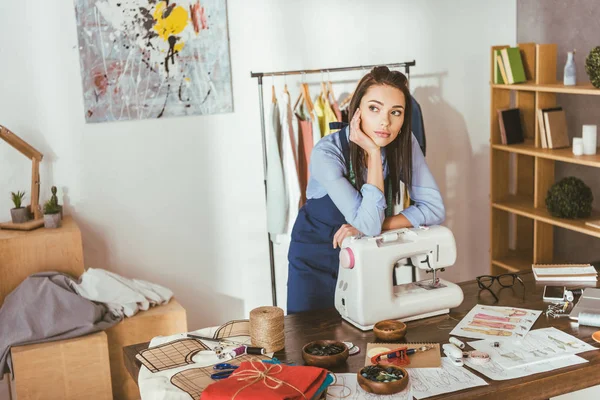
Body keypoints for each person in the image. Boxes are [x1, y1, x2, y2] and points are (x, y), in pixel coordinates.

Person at [286, 66, 445, 314]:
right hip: (317, 252)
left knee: (364, 332)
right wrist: (372, 152)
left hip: (367, 250)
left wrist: (381, 225)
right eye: (374, 108)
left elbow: (433, 208)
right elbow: (368, 225)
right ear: (356, 111)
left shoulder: (404, 143)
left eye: (396, 112)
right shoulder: (326, 153)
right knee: (308, 335)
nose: (385, 121)